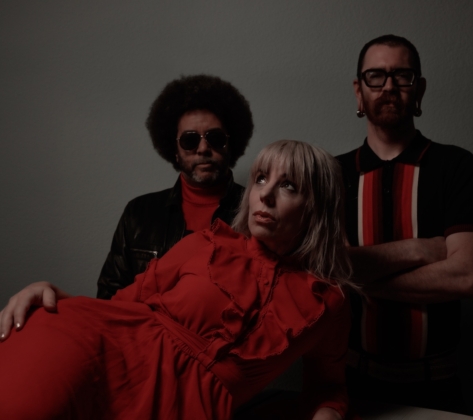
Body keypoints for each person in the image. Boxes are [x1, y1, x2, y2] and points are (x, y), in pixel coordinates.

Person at [0, 140, 355, 420]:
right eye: (261, 178)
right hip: (104, 359)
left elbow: (327, 386)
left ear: (317, 208)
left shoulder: (327, 302)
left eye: (288, 185)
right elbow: (118, 310)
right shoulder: (207, 244)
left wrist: (327, 416)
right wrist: (56, 295)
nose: (265, 194)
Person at [337, 35, 473, 414]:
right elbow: (329, 271)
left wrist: (358, 278)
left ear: (418, 89)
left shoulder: (456, 166)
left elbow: (467, 276)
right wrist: (420, 250)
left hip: (436, 387)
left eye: (401, 76)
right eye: (375, 76)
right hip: (351, 384)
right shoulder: (332, 174)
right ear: (358, 91)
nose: (388, 86)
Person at [97, 74, 253, 299]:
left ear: (231, 143)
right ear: (175, 150)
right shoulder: (138, 214)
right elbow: (109, 299)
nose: (203, 148)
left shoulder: (256, 213)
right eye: (190, 140)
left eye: (215, 138)